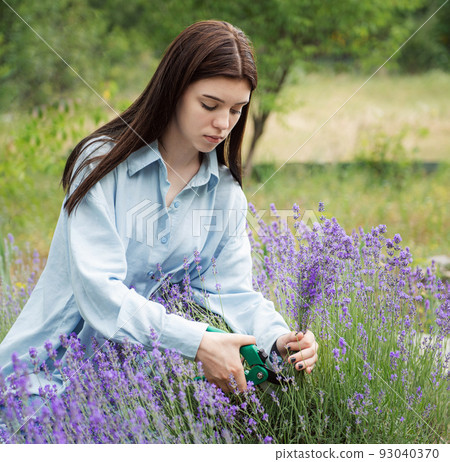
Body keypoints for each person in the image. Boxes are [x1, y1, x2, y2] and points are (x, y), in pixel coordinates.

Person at [0, 20, 318, 396]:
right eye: (209, 104)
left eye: (236, 110)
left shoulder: (225, 194)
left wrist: (278, 339)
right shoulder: (102, 163)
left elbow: (229, 291)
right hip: (40, 378)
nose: (223, 124)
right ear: (174, 89)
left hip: (129, 394)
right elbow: (99, 290)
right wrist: (198, 342)